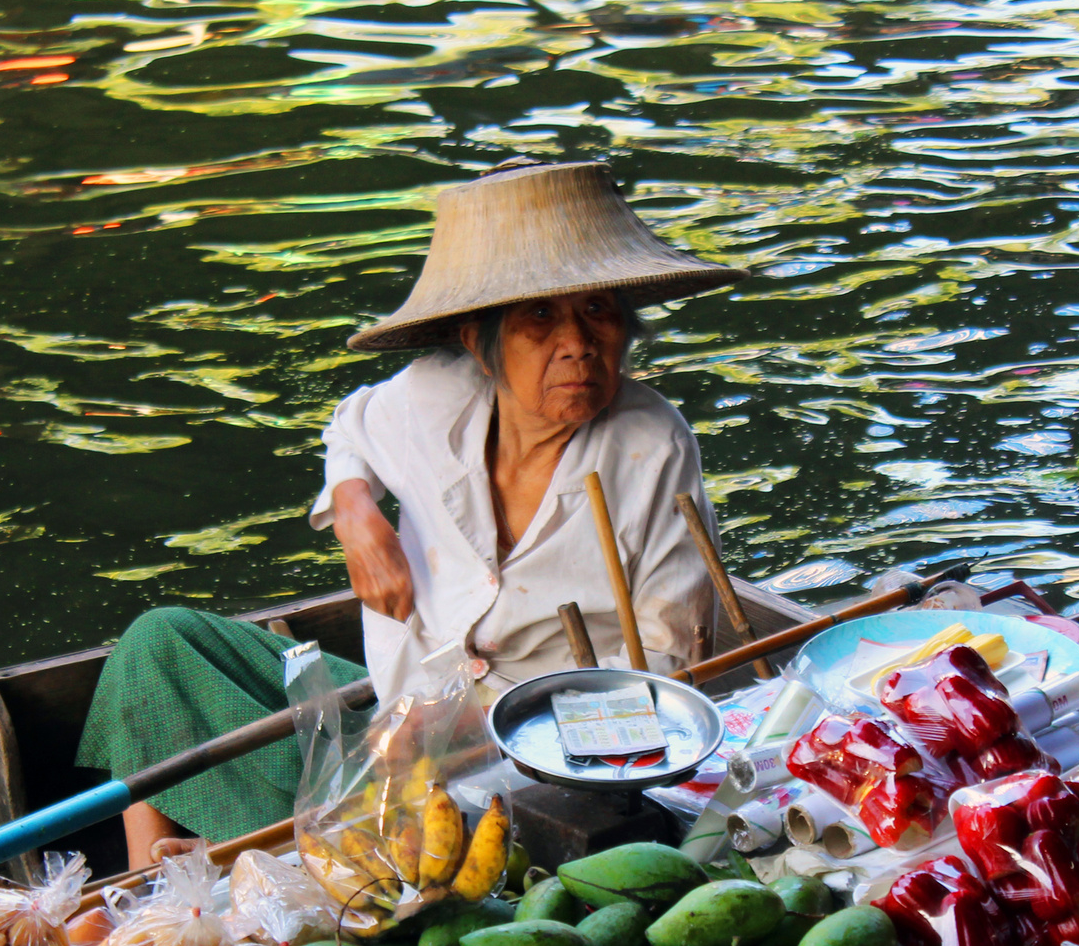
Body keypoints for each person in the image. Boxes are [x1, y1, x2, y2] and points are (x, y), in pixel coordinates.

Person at [77, 160, 747, 867]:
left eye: (599, 311)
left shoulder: (653, 445)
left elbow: (666, 665)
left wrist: (477, 730)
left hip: (541, 758)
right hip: (400, 717)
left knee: (393, 808)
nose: (578, 342)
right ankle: (154, 887)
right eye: (541, 316)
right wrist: (354, 509)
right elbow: (350, 429)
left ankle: (266, 845)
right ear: (475, 340)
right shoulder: (432, 396)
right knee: (159, 644)